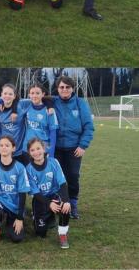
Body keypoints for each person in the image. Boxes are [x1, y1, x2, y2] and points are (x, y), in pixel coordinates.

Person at [52, 75, 94, 219]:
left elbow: (89, 126)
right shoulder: (52, 101)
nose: (64, 89)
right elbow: (33, 98)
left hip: (74, 148)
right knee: (58, 177)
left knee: (73, 176)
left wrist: (83, 145)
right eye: (61, 87)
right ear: (57, 89)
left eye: (67, 87)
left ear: (72, 88)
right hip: (56, 148)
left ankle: (73, 204)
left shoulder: (80, 103)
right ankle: (60, 203)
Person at [26, 138, 72, 249]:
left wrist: (66, 200)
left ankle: (62, 234)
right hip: (40, 199)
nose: (36, 152)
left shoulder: (53, 162)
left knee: (65, 207)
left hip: (54, 195)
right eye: (32, 150)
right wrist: (49, 204)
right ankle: (47, 216)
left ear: (44, 149)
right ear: (29, 153)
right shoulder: (28, 169)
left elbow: (62, 183)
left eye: (38, 148)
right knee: (40, 233)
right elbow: (36, 193)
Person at [0, 135, 30, 244]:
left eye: (7, 145)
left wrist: (20, 218)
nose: (4, 148)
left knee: (17, 238)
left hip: (15, 206)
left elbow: (22, 194)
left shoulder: (19, 168)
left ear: (13, 148)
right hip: (1, 201)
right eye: (1, 145)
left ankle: (11, 218)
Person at [20, 84, 59, 158]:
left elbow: (53, 133)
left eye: (37, 93)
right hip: (27, 149)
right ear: (29, 95)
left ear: (43, 94)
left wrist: (51, 154)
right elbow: (11, 99)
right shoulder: (27, 106)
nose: (34, 96)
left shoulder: (49, 111)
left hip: (42, 150)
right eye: (32, 93)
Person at [0, 84, 27, 165]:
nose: (7, 96)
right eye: (5, 93)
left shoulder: (22, 105)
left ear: (14, 96)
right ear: (1, 95)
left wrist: (50, 106)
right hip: (5, 150)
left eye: (10, 94)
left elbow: (38, 98)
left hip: (19, 150)